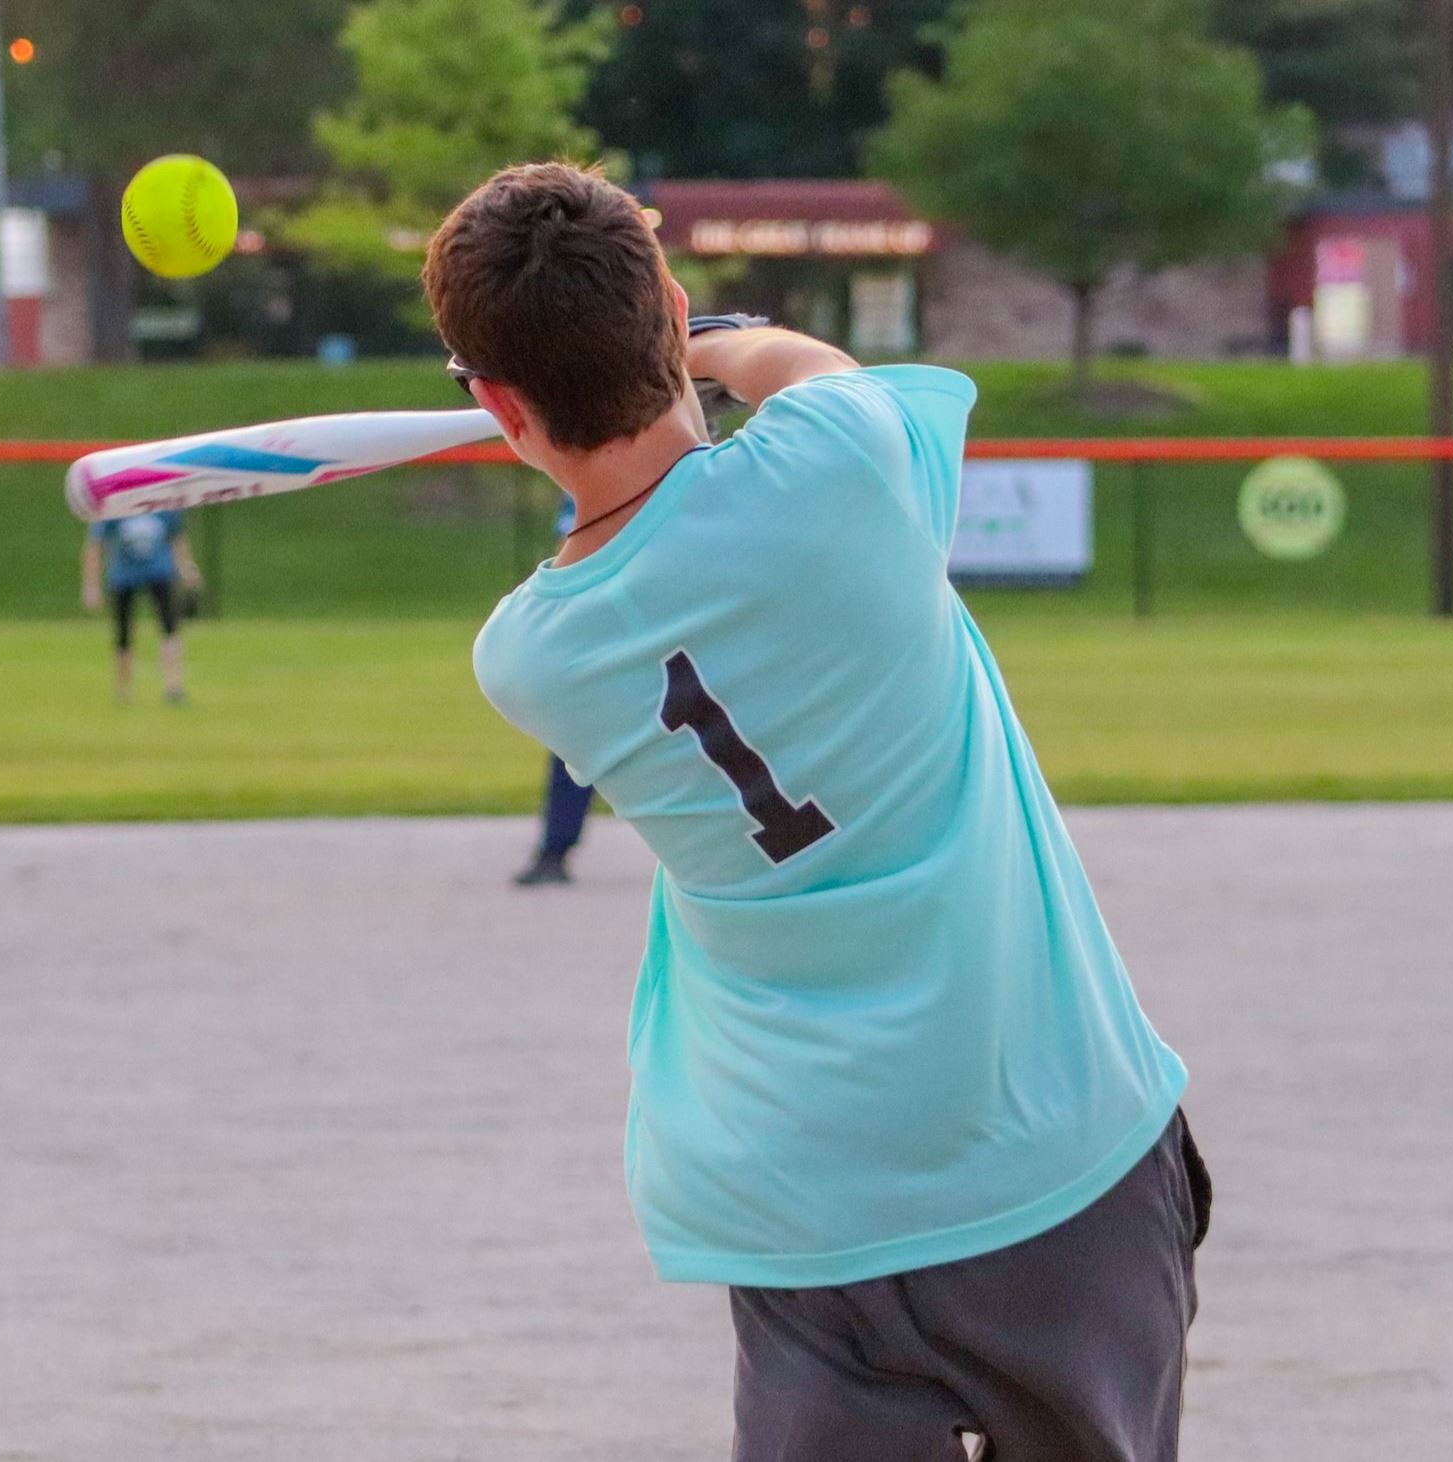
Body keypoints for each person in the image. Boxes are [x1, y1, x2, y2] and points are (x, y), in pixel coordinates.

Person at [431, 162, 1208, 1461]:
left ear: (501, 400)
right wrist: (713, 340)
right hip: (1052, 1152)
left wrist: (529, 387)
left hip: (801, 1208)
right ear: (667, 303)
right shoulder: (845, 463)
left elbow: (620, 541)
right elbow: (806, 367)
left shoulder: (532, 656)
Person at [514, 493, 598, 887]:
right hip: (603, 624)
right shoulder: (592, 475)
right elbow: (571, 545)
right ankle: (555, 849)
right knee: (576, 736)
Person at [81, 509, 199, 706]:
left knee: (170, 628)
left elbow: (177, 539)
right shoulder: (115, 505)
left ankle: (173, 687)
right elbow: (95, 546)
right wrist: (91, 585)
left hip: (160, 573)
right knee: (123, 634)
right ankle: (123, 690)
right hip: (123, 576)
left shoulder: (163, 503)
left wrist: (187, 568)